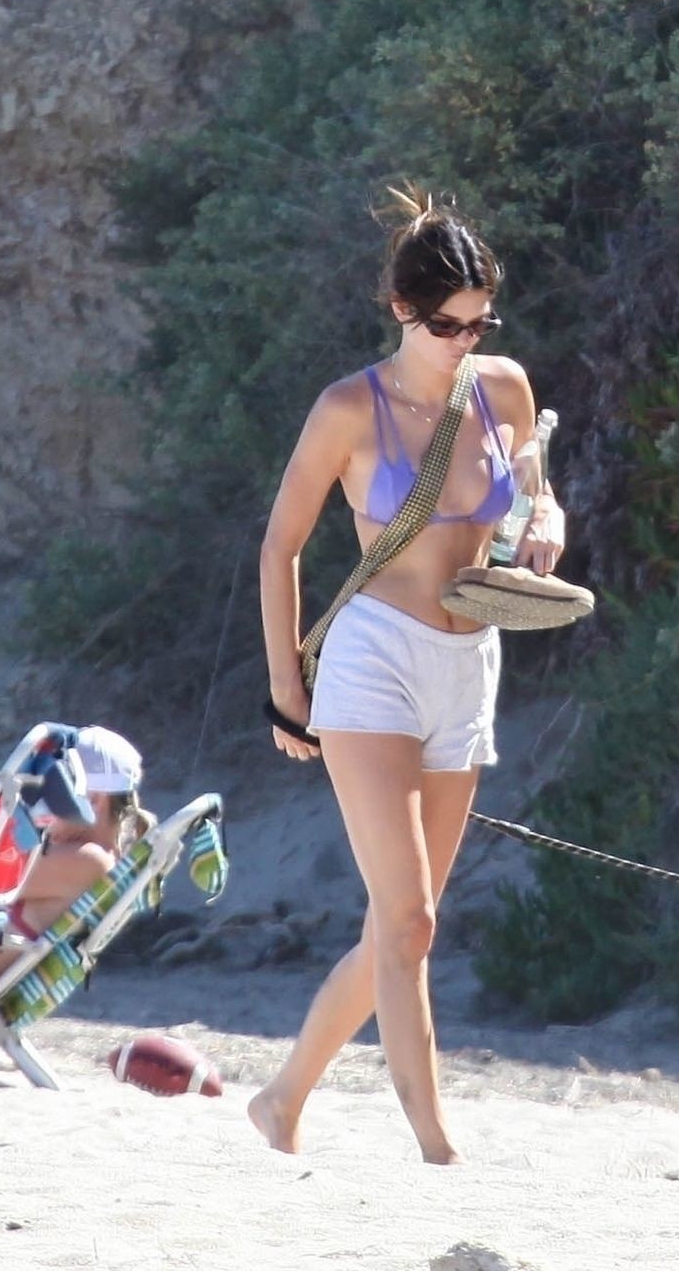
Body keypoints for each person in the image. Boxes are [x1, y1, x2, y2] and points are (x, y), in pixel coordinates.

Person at [250, 187, 566, 1165]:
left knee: (404, 927)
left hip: (468, 661)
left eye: (479, 323)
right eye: (445, 324)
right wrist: (286, 689)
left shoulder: (503, 389)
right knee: (411, 916)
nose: (463, 341)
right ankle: (437, 1146)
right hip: (373, 659)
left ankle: (281, 1098)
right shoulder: (349, 408)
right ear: (402, 309)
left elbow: (536, 490)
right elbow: (280, 547)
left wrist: (548, 521)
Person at [0, 724, 154, 989]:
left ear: (93, 800)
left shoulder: (88, 860)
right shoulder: (94, 860)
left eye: (55, 792)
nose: (44, 804)